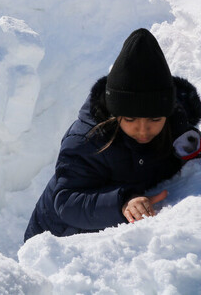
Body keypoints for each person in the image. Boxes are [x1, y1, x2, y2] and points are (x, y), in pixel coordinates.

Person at [24, 28, 201, 242]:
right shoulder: (87, 141)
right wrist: (123, 201)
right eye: (130, 120)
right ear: (114, 114)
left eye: (155, 120)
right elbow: (66, 202)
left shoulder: (178, 129)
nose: (143, 130)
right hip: (58, 238)